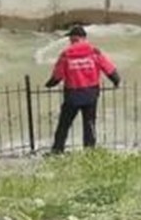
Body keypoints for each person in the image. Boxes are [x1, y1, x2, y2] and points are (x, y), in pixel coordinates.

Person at [45, 25, 120, 154]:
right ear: (84, 38)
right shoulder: (94, 52)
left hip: (73, 94)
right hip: (91, 93)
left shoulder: (66, 54)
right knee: (90, 123)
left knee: (64, 124)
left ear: (74, 38)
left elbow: (58, 76)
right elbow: (109, 69)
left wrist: (49, 84)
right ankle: (89, 150)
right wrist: (116, 81)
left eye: (70, 38)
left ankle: (57, 150)